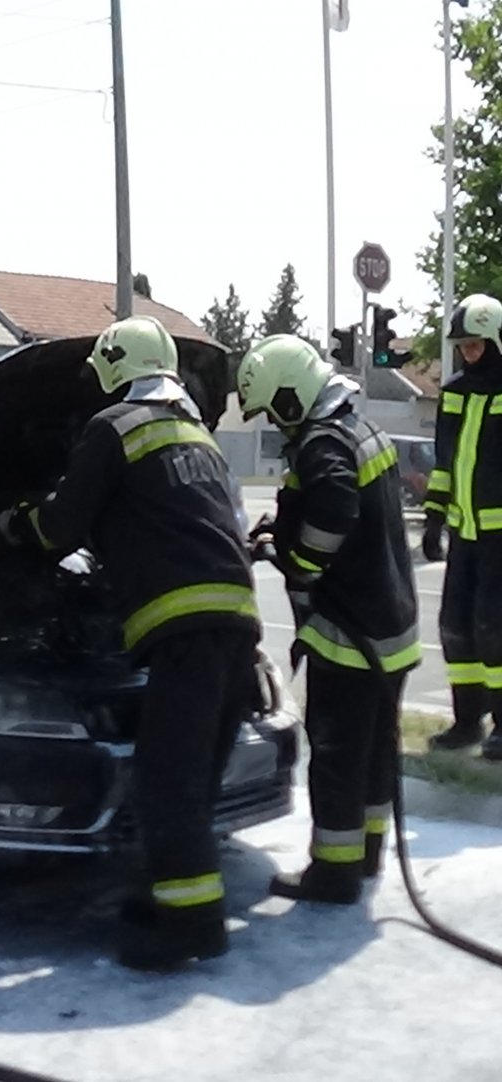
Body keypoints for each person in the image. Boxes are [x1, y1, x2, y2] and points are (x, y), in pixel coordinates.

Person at [0, 316, 260, 970]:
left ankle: (192, 928)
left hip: (185, 632)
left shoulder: (113, 428)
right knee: (192, 784)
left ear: (114, 367)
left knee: (166, 783)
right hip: (237, 628)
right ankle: (175, 904)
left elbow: (61, 526)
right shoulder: (198, 433)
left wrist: (11, 523)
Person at [237, 335, 418, 901]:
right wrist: (283, 530)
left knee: (338, 754)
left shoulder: (322, 442)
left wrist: (300, 563)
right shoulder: (359, 429)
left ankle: (333, 871)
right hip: (391, 627)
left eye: (272, 408)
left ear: (291, 396)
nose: (273, 420)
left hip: (349, 635)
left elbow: (336, 506)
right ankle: (366, 854)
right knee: (376, 751)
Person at [422, 293, 502, 759]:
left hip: (499, 538)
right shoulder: (453, 392)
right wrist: (434, 519)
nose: (469, 353)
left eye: (476, 345)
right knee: (456, 627)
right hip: (463, 535)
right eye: (463, 346)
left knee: (495, 629)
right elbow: (444, 461)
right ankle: (467, 721)